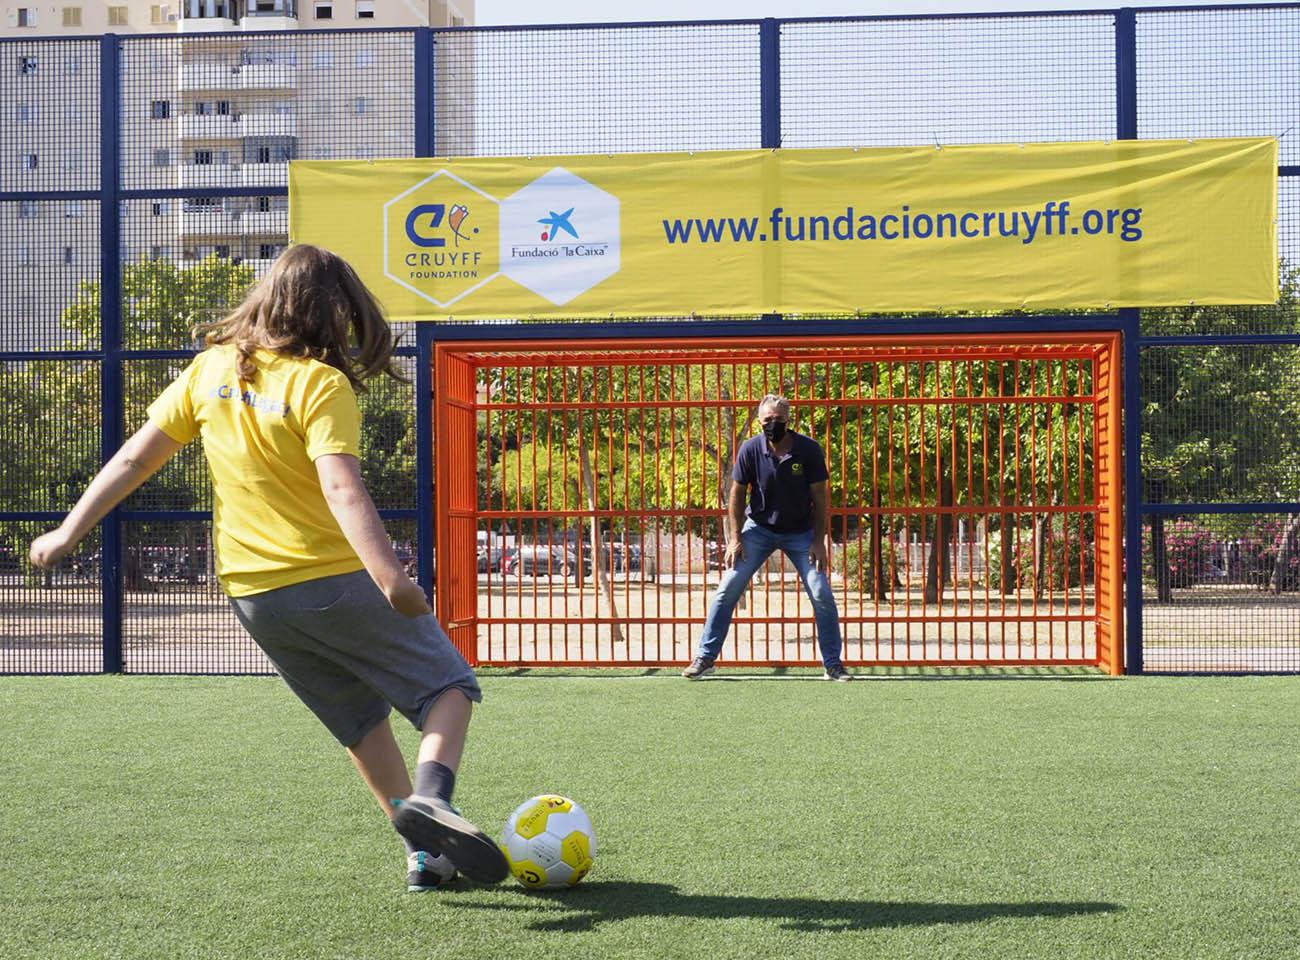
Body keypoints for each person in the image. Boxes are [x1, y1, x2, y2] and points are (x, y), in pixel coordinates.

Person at [28, 244, 508, 891]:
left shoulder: (210, 371)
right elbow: (342, 490)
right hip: (331, 579)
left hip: (255, 599)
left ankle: (426, 855)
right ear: (332, 314)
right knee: (447, 688)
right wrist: (393, 578)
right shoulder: (320, 383)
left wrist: (66, 531)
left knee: (361, 724)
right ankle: (434, 797)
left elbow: (132, 462)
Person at [683, 393, 852, 682]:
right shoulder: (750, 449)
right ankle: (705, 658)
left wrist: (818, 541)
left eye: (778, 420)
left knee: (821, 591)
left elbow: (821, 498)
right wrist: (736, 538)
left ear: (788, 420)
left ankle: (833, 664)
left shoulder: (809, 450)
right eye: (767, 421)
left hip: (801, 533)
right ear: (760, 422)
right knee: (728, 588)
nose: (772, 425)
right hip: (758, 530)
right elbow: (736, 495)